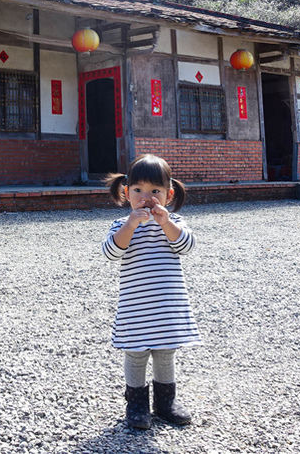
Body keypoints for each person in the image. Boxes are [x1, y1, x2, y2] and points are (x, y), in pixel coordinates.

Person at [102, 154, 200, 430]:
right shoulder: (122, 225)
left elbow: (187, 246)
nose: (147, 197)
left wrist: (166, 223)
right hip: (136, 307)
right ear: (126, 193)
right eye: (138, 191)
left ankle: (165, 403)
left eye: (155, 191)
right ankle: (136, 405)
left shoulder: (174, 222)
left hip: (167, 306)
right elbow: (111, 252)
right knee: (135, 354)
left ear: (168, 195)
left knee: (166, 352)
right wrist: (130, 225)